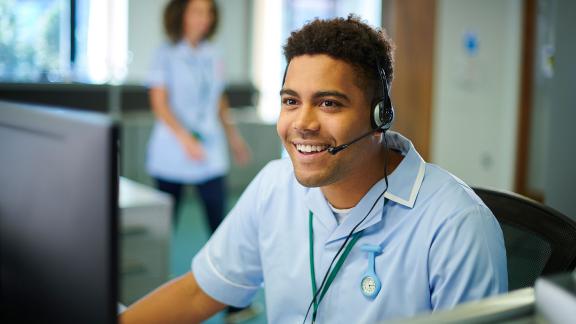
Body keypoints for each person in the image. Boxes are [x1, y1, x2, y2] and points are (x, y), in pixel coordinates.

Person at [122, 15, 507, 323]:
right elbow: (197, 293)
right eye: (291, 101)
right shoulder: (274, 185)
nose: (302, 123)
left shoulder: (457, 225)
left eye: (329, 104)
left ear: (380, 115)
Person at [144, 0, 255, 322]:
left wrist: (234, 137)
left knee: (222, 228)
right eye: (196, 11)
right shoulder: (165, 53)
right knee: (164, 230)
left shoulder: (214, 54)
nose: (202, 19)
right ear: (181, 14)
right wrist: (184, 139)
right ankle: (155, 302)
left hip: (210, 153)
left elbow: (219, 99)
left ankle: (234, 304)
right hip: (172, 152)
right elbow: (159, 103)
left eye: (208, 12)